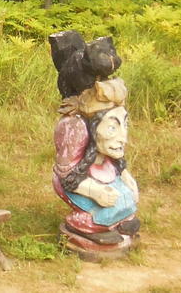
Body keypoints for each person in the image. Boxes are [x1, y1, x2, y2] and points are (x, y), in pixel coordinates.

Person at [53, 78, 139, 243]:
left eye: (125, 125)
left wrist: (126, 176)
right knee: (105, 210)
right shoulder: (76, 129)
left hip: (103, 171)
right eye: (112, 128)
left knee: (127, 197)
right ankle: (87, 225)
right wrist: (94, 191)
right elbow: (66, 177)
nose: (123, 138)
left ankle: (120, 220)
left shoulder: (106, 152)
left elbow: (118, 164)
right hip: (78, 181)